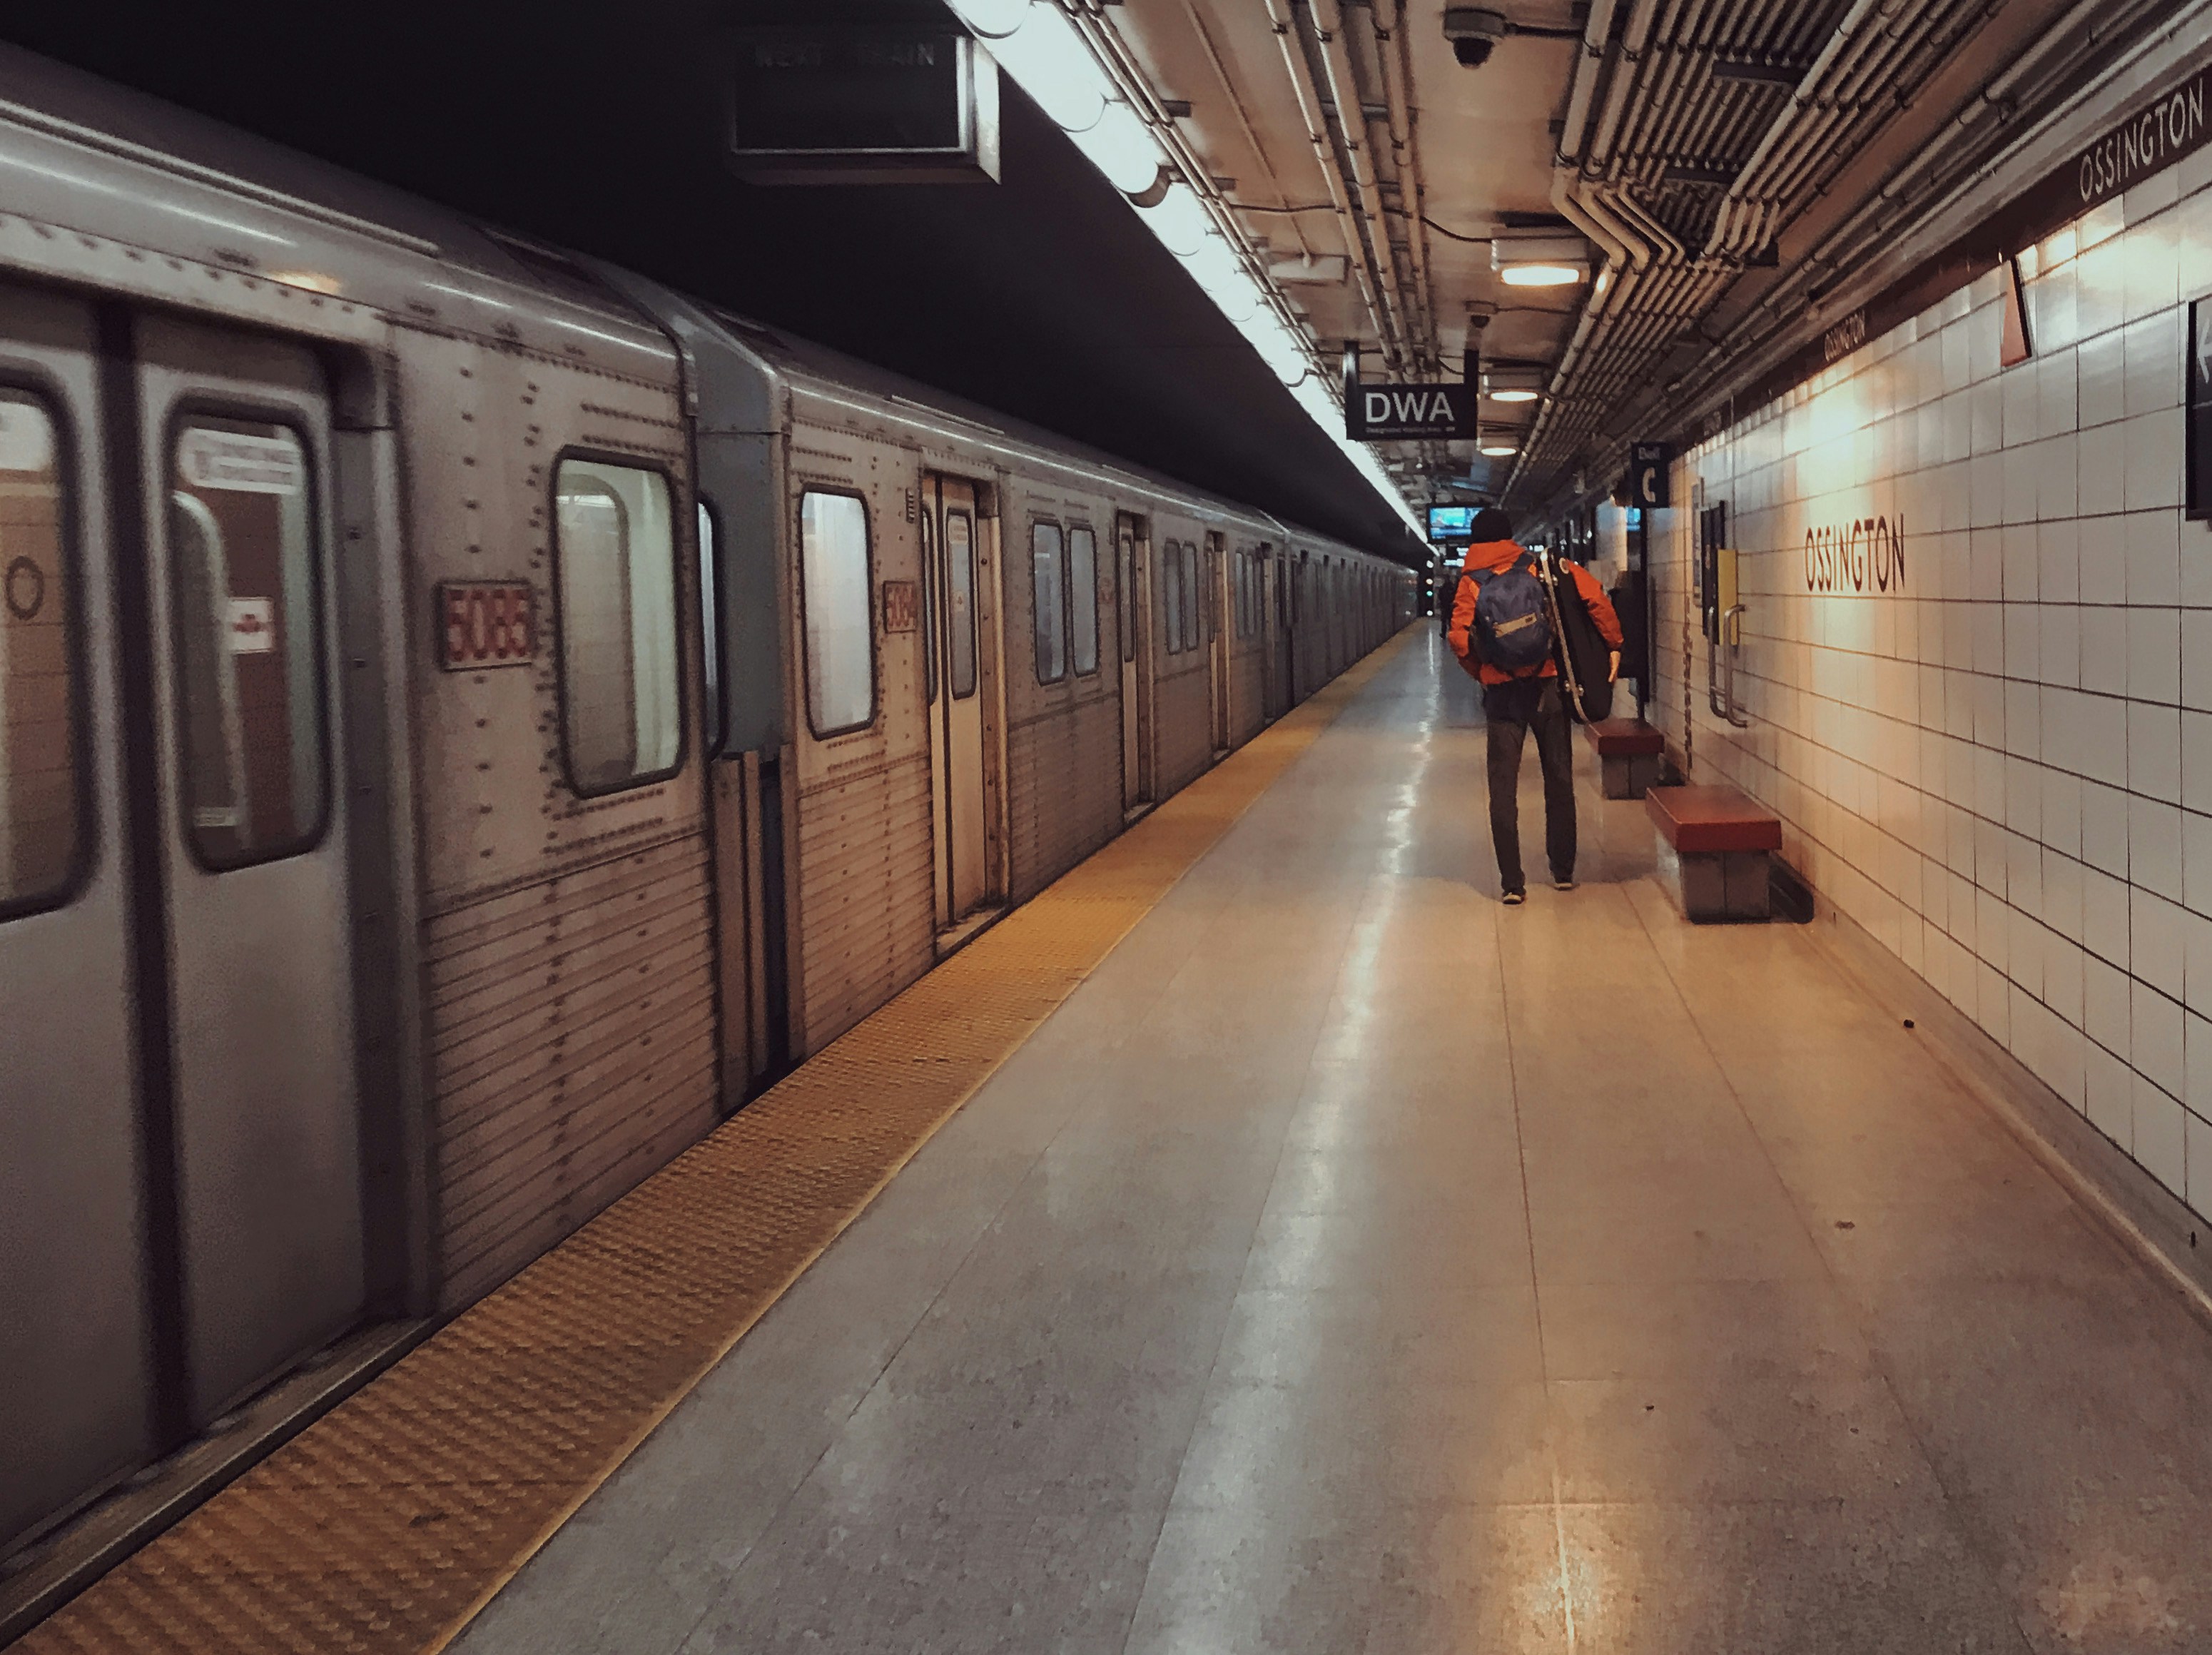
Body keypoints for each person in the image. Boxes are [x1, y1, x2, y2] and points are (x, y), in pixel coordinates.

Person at [1446, 507, 1622, 905]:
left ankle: (1512, 883)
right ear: (1510, 536)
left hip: (1502, 697)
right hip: (1548, 684)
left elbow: (1458, 639)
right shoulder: (1540, 568)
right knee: (1558, 779)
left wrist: (1485, 672)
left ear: (1475, 541)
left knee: (1502, 788)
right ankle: (1563, 872)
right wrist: (1614, 644)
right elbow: (1596, 600)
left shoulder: (1471, 582)